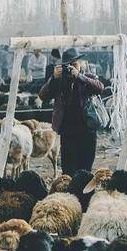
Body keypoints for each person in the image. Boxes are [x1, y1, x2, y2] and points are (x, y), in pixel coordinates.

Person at [39, 48, 105, 176]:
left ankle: (84, 195)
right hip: (68, 132)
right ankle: (70, 195)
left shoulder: (87, 77)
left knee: (85, 169)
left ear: (79, 64)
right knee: (68, 170)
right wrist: (53, 78)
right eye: (67, 65)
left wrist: (79, 76)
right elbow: (42, 95)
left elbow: (100, 87)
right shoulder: (59, 81)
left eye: (74, 64)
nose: (71, 68)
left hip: (87, 130)